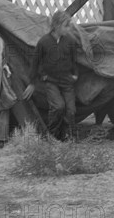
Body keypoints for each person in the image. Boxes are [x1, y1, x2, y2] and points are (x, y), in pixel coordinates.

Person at [23, 10, 78, 140]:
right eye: (66, 25)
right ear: (57, 25)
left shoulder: (70, 40)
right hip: (51, 81)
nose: (68, 28)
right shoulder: (44, 42)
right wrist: (32, 82)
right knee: (58, 107)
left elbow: (74, 60)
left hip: (67, 81)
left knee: (71, 111)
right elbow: (35, 63)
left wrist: (75, 75)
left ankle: (68, 137)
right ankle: (53, 136)